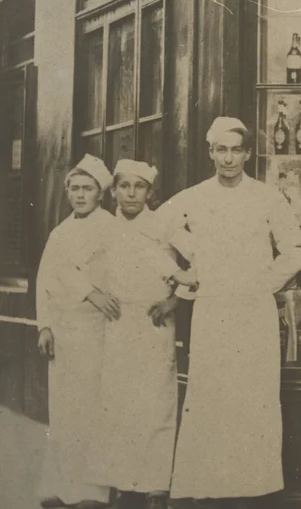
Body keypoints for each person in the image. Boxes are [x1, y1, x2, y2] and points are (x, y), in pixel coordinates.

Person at [156, 117, 301, 503]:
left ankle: (252, 487)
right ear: (211, 152)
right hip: (211, 311)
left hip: (254, 310)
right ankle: (207, 485)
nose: (228, 158)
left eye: (236, 150)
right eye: (220, 150)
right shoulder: (193, 197)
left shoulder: (267, 197)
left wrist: (263, 282)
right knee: (211, 395)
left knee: (252, 397)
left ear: (247, 153)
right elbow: (154, 231)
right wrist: (187, 266)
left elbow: (296, 251)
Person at [91, 160, 194, 509]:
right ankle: (123, 481)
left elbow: (201, 262)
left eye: (139, 187)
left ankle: (155, 486)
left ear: (150, 193)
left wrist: (175, 300)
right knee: (119, 403)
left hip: (154, 323)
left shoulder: (165, 224)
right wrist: (95, 295)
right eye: (124, 186)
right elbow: (75, 268)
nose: (131, 194)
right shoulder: (102, 227)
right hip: (116, 324)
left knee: (156, 402)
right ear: (114, 191)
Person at [35, 154, 119, 509]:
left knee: (93, 409)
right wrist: (45, 326)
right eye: (75, 189)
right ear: (67, 193)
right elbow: (45, 281)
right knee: (64, 411)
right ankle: (62, 486)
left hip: (99, 331)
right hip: (65, 334)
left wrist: (95, 294)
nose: (81, 195)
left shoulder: (113, 228)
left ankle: (94, 490)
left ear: (100, 194)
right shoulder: (60, 233)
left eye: (88, 189)